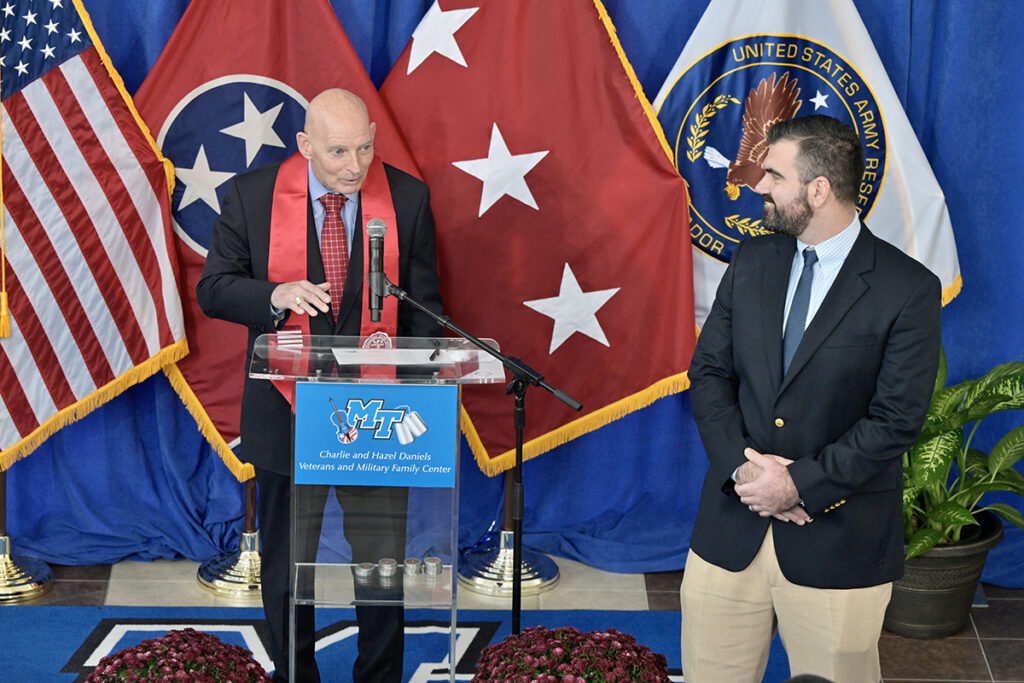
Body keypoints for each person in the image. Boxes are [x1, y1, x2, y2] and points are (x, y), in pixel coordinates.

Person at [682, 114, 941, 683]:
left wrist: (798, 483)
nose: (760, 186)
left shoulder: (908, 289)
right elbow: (708, 375)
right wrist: (747, 476)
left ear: (818, 190)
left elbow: (895, 421)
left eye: (774, 174)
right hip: (731, 527)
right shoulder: (752, 260)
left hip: (840, 543)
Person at [197, 88, 443, 682]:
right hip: (286, 413)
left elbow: (426, 313)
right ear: (305, 146)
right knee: (289, 568)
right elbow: (214, 288)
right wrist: (273, 295)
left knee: (380, 568)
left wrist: (422, 387)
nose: (355, 165)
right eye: (338, 152)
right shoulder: (254, 197)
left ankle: (380, 676)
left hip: (377, 415)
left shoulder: (406, 199)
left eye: (364, 147)